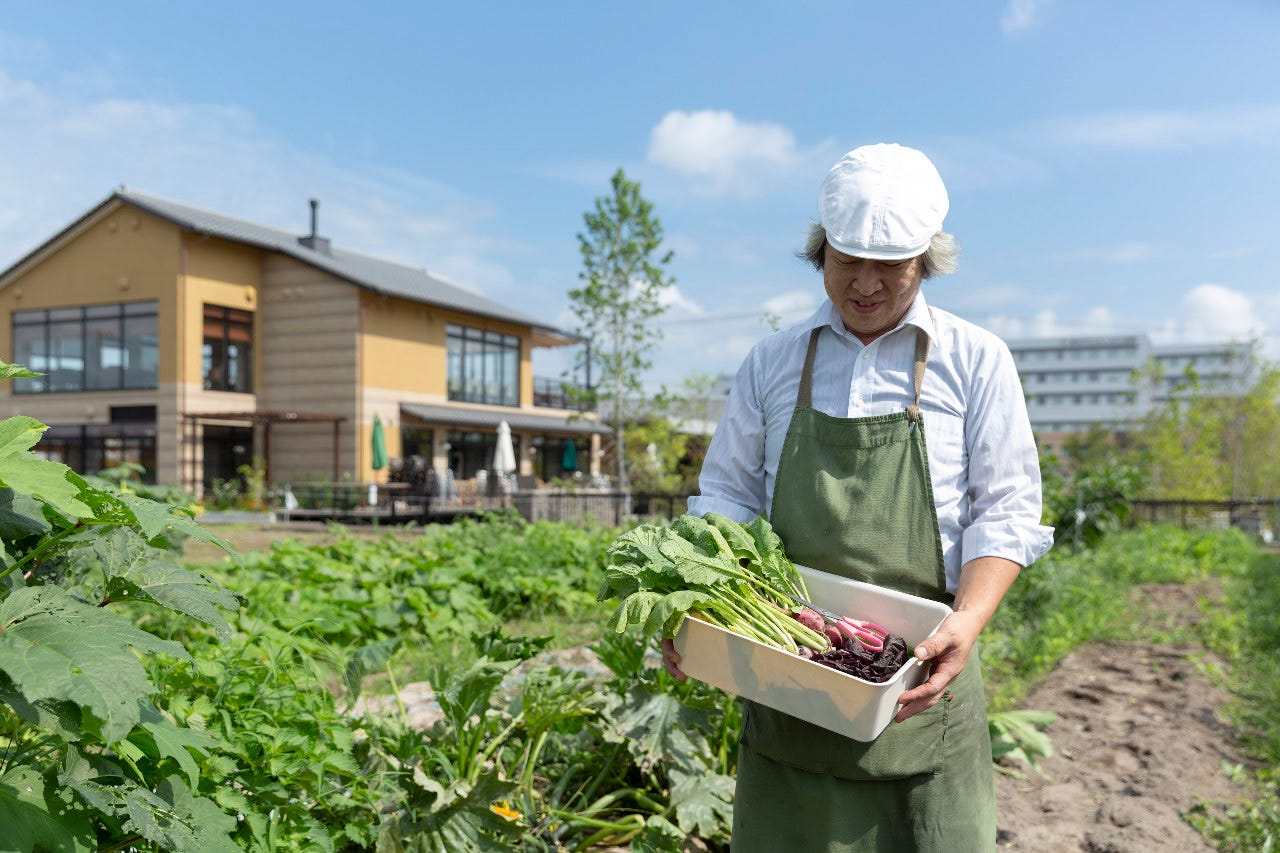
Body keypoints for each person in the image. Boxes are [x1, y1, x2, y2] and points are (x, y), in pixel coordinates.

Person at [666, 143, 1053, 852]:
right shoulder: (774, 360)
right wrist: (696, 608)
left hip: (919, 685)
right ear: (821, 253)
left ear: (926, 261)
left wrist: (967, 620)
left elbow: (1006, 508)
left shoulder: (976, 359)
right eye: (849, 260)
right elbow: (726, 493)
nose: (866, 283)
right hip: (791, 671)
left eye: (891, 265)